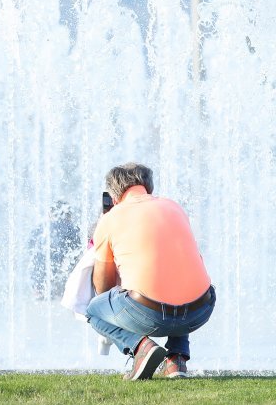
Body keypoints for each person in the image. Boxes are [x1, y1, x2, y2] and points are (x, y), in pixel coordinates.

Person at [86, 163, 215, 380]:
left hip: (150, 315)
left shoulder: (110, 218)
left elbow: (104, 287)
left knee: (93, 311)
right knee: (177, 278)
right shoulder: (174, 207)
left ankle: (140, 347)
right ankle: (177, 359)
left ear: (113, 194)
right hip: (201, 310)